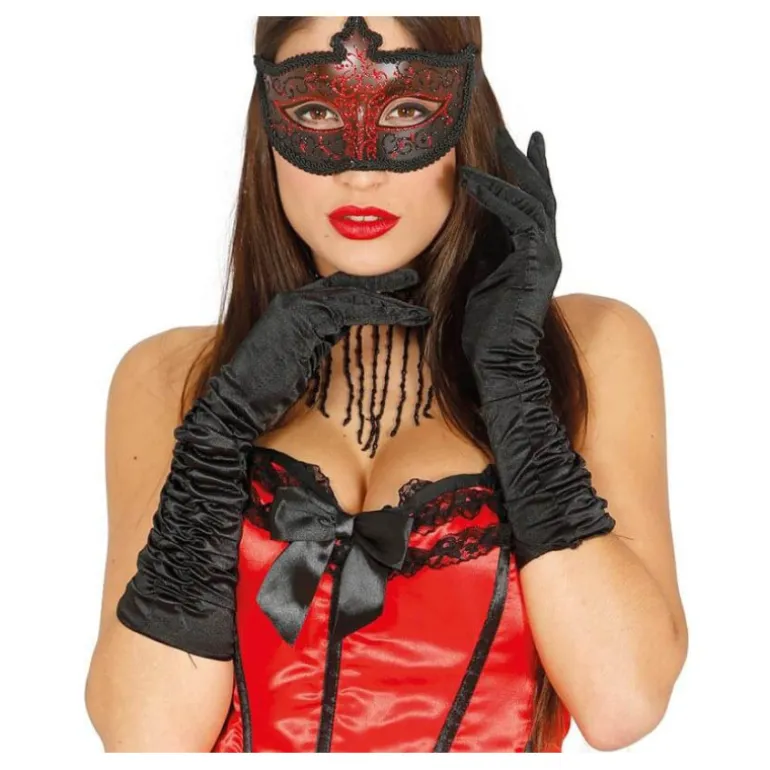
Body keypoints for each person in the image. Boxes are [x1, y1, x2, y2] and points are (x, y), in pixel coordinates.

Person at [84, 16, 688, 753]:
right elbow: (145, 742)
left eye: (405, 109)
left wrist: (512, 379)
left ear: (466, 118)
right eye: (315, 111)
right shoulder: (171, 377)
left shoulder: (590, 347)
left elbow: (624, 703)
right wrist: (219, 431)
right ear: (266, 128)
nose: (361, 173)